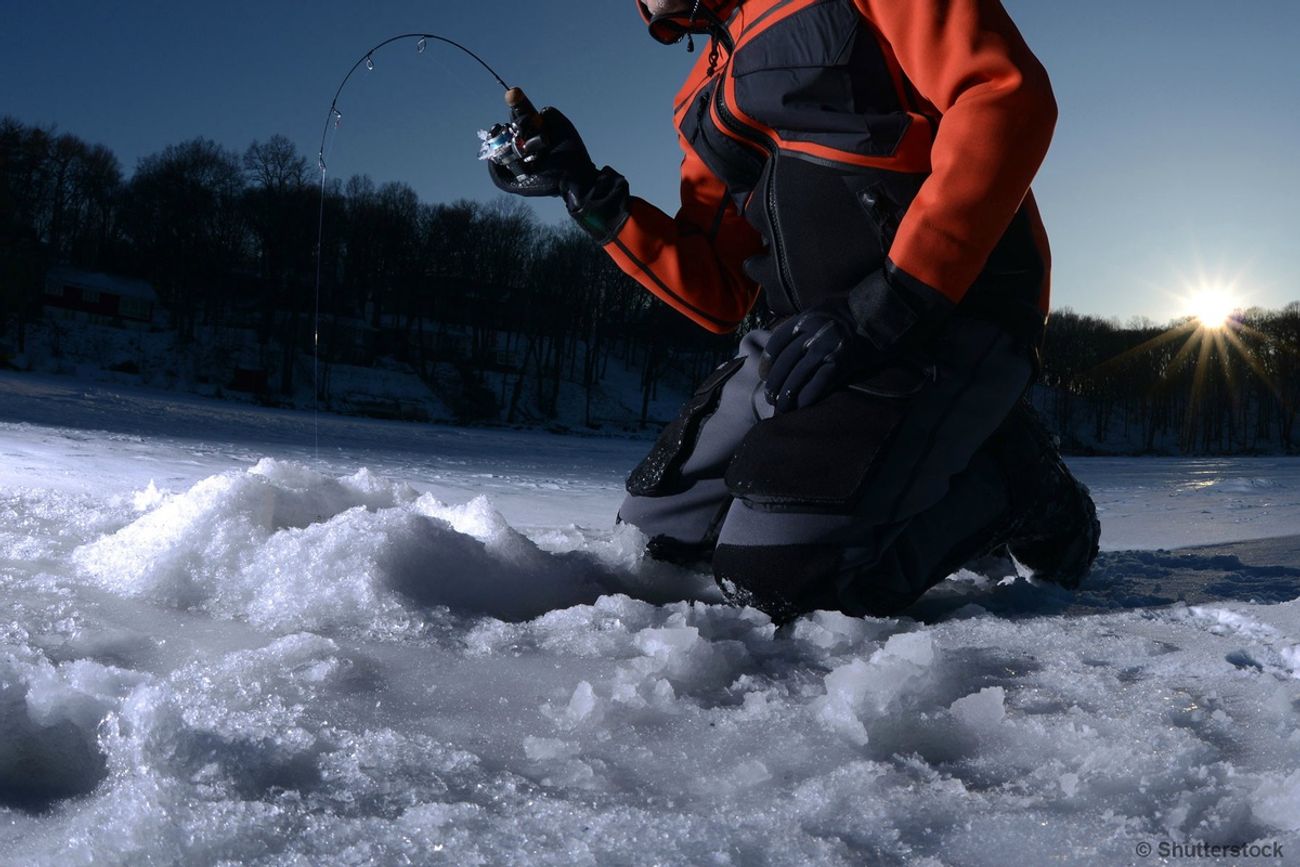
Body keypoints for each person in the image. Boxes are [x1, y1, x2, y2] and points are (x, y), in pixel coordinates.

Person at [488, 0, 1099, 622]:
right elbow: (721, 291)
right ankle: (926, 463)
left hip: (944, 313)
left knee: (783, 582)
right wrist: (589, 195)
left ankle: (1016, 482)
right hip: (807, 338)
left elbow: (1004, 94)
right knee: (652, 550)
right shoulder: (697, 93)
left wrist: (889, 302)